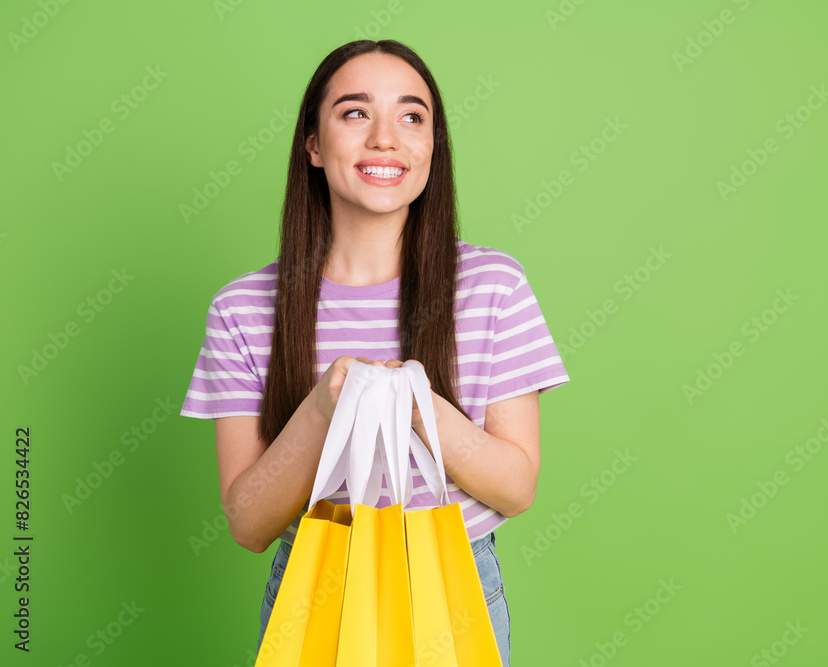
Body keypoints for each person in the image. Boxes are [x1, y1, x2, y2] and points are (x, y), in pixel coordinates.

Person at [178, 39, 569, 666]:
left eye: (411, 116)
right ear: (312, 144)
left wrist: (420, 407)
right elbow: (249, 524)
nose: (386, 138)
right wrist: (321, 408)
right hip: (313, 584)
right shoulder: (243, 309)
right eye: (355, 113)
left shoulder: (493, 287)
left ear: (432, 149)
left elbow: (516, 487)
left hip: (455, 584)